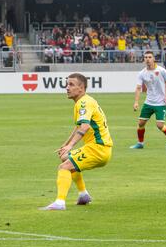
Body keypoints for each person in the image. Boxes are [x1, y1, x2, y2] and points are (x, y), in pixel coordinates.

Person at [40, 73, 113, 211]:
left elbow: (85, 127)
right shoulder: (85, 101)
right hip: (99, 148)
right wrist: (66, 144)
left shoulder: (84, 102)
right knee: (65, 158)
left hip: (98, 148)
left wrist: (71, 145)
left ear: (81, 88)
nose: (67, 88)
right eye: (67, 84)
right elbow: (79, 126)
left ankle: (60, 202)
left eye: (71, 85)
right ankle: (83, 195)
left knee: (64, 167)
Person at [132, 51, 166, 149]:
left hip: (161, 103)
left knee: (160, 125)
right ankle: (140, 143)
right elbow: (138, 88)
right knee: (141, 123)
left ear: (153, 59)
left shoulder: (161, 70)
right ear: (144, 60)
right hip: (149, 102)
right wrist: (136, 102)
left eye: (149, 57)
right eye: (145, 57)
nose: (147, 59)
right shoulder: (142, 73)